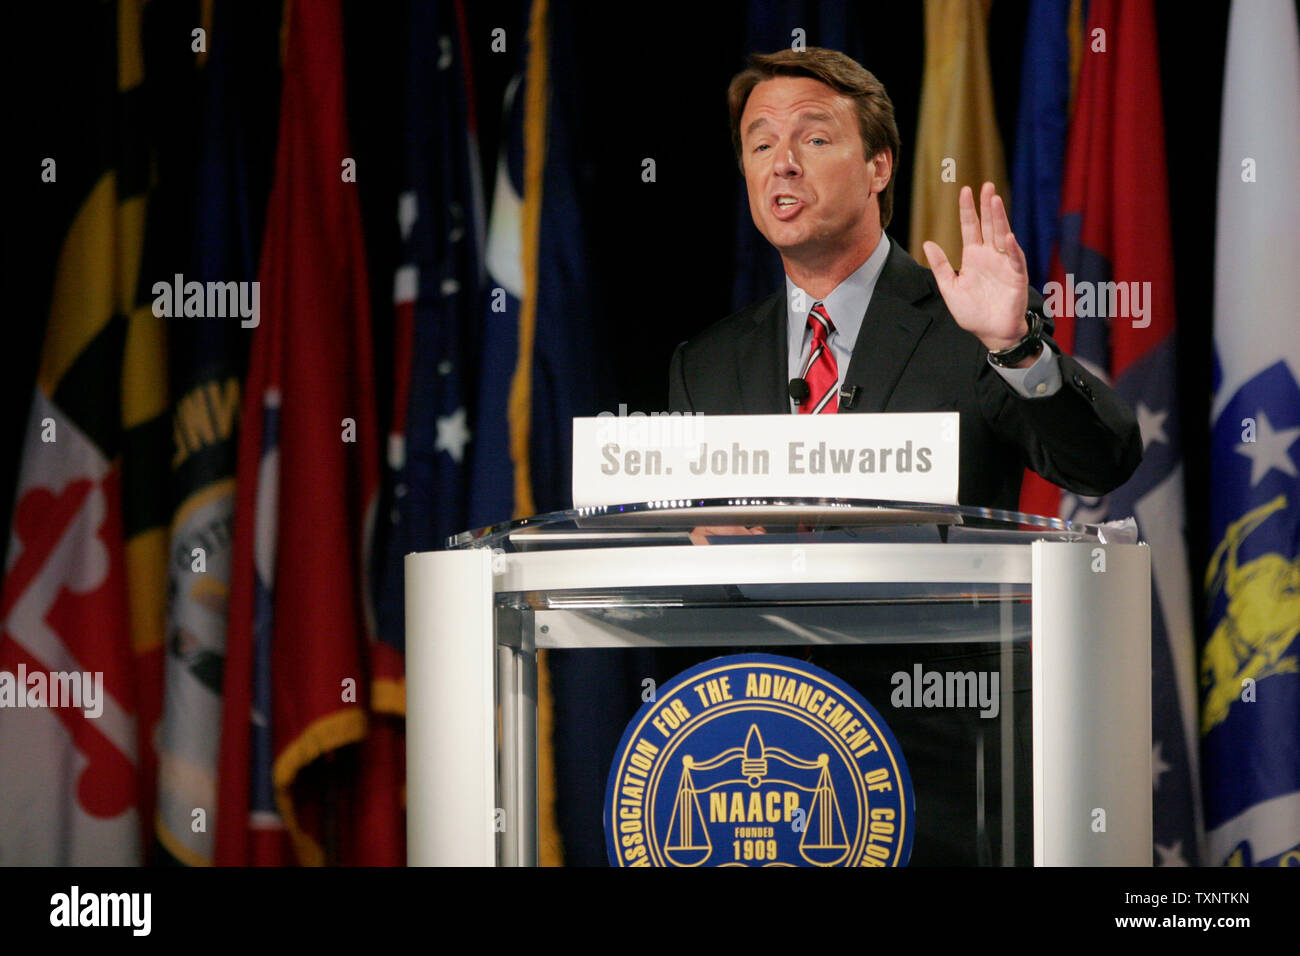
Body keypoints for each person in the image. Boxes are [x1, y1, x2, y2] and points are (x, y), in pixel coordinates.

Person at [668, 48, 1142, 510]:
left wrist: (1015, 348)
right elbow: (675, 526)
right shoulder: (705, 367)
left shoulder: (975, 329)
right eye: (762, 144)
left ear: (878, 167)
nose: (782, 163)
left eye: (814, 140)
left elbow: (1101, 464)